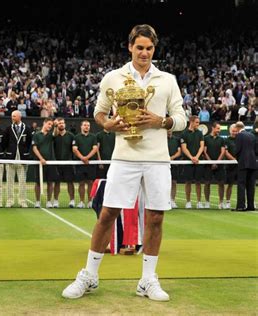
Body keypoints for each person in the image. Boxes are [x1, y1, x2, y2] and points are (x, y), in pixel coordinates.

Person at [62, 24, 187, 301]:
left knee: (156, 217)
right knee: (107, 214)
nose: (144, 53)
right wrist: (109, 124)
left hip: (157, 159)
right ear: (130, 46)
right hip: (124, 156)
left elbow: (182, 119)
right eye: (140, 47)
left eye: (149, 48)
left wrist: (161, 121)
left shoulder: (167, 79)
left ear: (155, 49)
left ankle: (147, 280)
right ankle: (89, 275)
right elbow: (99, 113)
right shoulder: (112, 77)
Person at [3, 110, 32, 208]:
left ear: (20, 117)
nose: (12, 118)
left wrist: (25, 153)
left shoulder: (27, 129)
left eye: (14, 116)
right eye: (12, 116)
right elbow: (5, 143)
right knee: (9, 182)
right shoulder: (8, 129)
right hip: (11, 158)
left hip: (22, 159)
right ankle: (9, 201)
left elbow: (29, 143)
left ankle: (22, 202)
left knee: (22, 182)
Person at [32, 118, 58, 208]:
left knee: (50, 182)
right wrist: (41, 159)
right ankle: (37, 201)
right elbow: (34, 148)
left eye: (51, 125)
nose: (50, 126)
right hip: (39, 163)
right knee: (38, 183)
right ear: (44, 123)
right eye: (49, 124)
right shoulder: (36, 135)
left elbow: (55, 133)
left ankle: (48, 201)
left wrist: (55, 125)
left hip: (50, 162)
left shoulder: (51, 135)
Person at [72, 120, 98, 208]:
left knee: (91, 182)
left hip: (91, 163)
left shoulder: (93, 137)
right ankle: (81, 202)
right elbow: (75, 149)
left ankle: (90, 201)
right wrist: (82, 158)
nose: (86, 127)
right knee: (81, 183)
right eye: (85, 125)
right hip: (80, 164)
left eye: (88, 125)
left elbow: (95, 149)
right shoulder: (77, 137)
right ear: (81, 126)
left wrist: (86, 158)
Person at [180, 116, 205, 209]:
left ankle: (199, 202)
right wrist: (191, 158)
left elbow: (201, 146)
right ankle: (188, 202)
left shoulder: (200, 133)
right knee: (188, 182)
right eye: (197, 122)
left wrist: (197, 157)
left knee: (198, 182)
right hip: (188, 161)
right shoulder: (184, 134)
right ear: (191, 122)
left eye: (198, 122)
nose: (198, 124)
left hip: (198, 161)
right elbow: (184, 148)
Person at [233, 121, 257, 211]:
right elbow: (255, 150)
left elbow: (237, 150)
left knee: (241, 184)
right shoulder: (252, 135)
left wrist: (238, 159)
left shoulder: (239, 135)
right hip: (253, 163)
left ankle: (241, 206)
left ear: (238, 128)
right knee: (251, 185)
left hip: (243, 163)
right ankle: (251, 206)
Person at [53, 118, 76, 208]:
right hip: (56, 164)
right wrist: (55, 127)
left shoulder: (71, 136)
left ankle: (72, 201)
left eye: (62, 123)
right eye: (59, 123)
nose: (61, 124)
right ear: (57, 125)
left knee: (70, 182)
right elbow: (53, 135)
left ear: (65, 124)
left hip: (68, 163)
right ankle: (55, 201)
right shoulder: (54, 136)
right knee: (57, 183)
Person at [203, 122, 226, 209]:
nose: (219, 130)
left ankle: (221, 202)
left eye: (219, 129)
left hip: (219, 165)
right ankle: (207, 202)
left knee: (221, 183)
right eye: (217, 128)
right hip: (208, 165)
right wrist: (211, 162)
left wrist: (216, 162)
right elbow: (204, 151)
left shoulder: (222, 139)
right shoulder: (206, 138)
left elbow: (223, 151)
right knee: (207, 183)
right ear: (213, 128)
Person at [224, 124, 238, 209]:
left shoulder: (240, 139)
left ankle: (243, 201)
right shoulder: (226, 140)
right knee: (230, 184)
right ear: (230, 131)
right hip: (230, 166)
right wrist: (234, 160)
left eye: (236, 131)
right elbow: (226, 152)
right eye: (233, 131)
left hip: (240, 166)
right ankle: (228, 202)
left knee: (242, 184)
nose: (234, 133)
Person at [167, 129, 182, 208]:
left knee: (174, 182)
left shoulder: (177, 139)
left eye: (170, 130)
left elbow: (179, 152)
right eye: (168, 130)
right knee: (164, 182)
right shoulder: (162, 140)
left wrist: (172, 157)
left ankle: (172, 200)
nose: (169, 131)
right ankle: (165, 200)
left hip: (174, 164)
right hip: (164, 163)